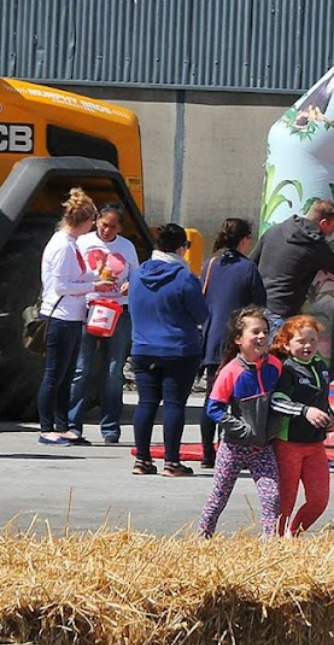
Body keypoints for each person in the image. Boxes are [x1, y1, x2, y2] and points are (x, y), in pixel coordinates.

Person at [37, 188, 116, 446]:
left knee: (67, 374)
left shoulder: (71, 244)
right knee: (54, 375)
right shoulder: (62, 246)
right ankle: (46, 428)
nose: (93, 225)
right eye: (92, 220)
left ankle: (62, 426)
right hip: (59, 317)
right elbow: (60, 286)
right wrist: (95, 285)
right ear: (83, 221)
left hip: (72, 316)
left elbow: (74, 278)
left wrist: (96, 275)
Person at [128, 224, 209, 477]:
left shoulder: (138, 274)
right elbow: (201, 314)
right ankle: (172, 462)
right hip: (178, 349)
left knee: (146, 403)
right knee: (174, 404)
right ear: (181, 248)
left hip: (143, 348)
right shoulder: (184, 277)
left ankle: (142, 460)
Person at [199, 306, 282, 538]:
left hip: (262, 446)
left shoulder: (275, 366)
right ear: (238, 339)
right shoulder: (230, 371)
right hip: (234, 446)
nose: (262, 336)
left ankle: (270, 542)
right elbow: (214, 409)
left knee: (272, 496)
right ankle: (202, 536)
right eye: (255, 332)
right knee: (219, 496)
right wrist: (240, 429)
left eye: (265, 331)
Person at [67, 202, 140, 445]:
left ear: (120, 228)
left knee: (113, 371)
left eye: (113, 227)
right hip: (88, 309)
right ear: (97, 220)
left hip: (118, 311)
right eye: (104, 224)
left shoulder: (126, 247)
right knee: (81, 369)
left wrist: (130, 284)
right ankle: (72, 424)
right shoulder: (83, 242)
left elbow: (136, 275)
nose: (107, 230)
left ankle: (110, 427)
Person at [199, 218, 266, 469]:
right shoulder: (248, 268)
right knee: (238, 400)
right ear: (245, 240)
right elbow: (259, 306)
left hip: (212, 339)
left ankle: (207, 453)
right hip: (238, 343)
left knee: (213, 397)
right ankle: (229, 451)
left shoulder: (210, 264)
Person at [251, 199, 334, 330]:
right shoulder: (314, 245)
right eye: (333, 226)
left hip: (257, 306)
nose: (332, 231)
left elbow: (251, 263)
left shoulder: (274, 230)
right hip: (281, 309)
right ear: (323, 223)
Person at [269, 315, 334, 536]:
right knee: (285, 500)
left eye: (312, 340)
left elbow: (323, 400)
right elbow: (276, 401)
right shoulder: (286, 369)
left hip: (315, 444)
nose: (308, 346)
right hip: (289, 444)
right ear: (286, 344)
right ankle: (275, 540)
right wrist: (305, 411)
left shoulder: (320, 366)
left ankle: (294, 534)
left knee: (319, 499)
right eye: (301, 341)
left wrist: (330, 416)